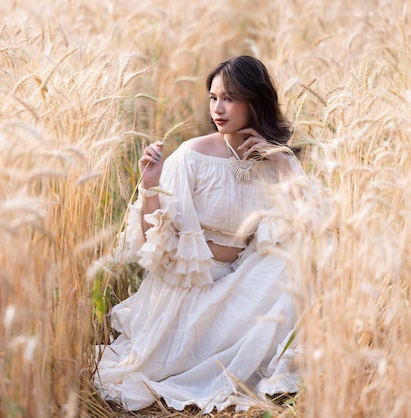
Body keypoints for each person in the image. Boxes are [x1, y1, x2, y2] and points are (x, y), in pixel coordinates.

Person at [95, 55, 311, 413]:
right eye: (213, 97)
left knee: (301, 264)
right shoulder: (191, 155)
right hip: (192, 286)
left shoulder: (275, 160)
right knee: (159, 367)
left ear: (253, 101)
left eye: (229, 97)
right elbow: (154, 241)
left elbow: (308, 225)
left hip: (241, 281)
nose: (218, 108)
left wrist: (284, 164)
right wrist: (150, 185)